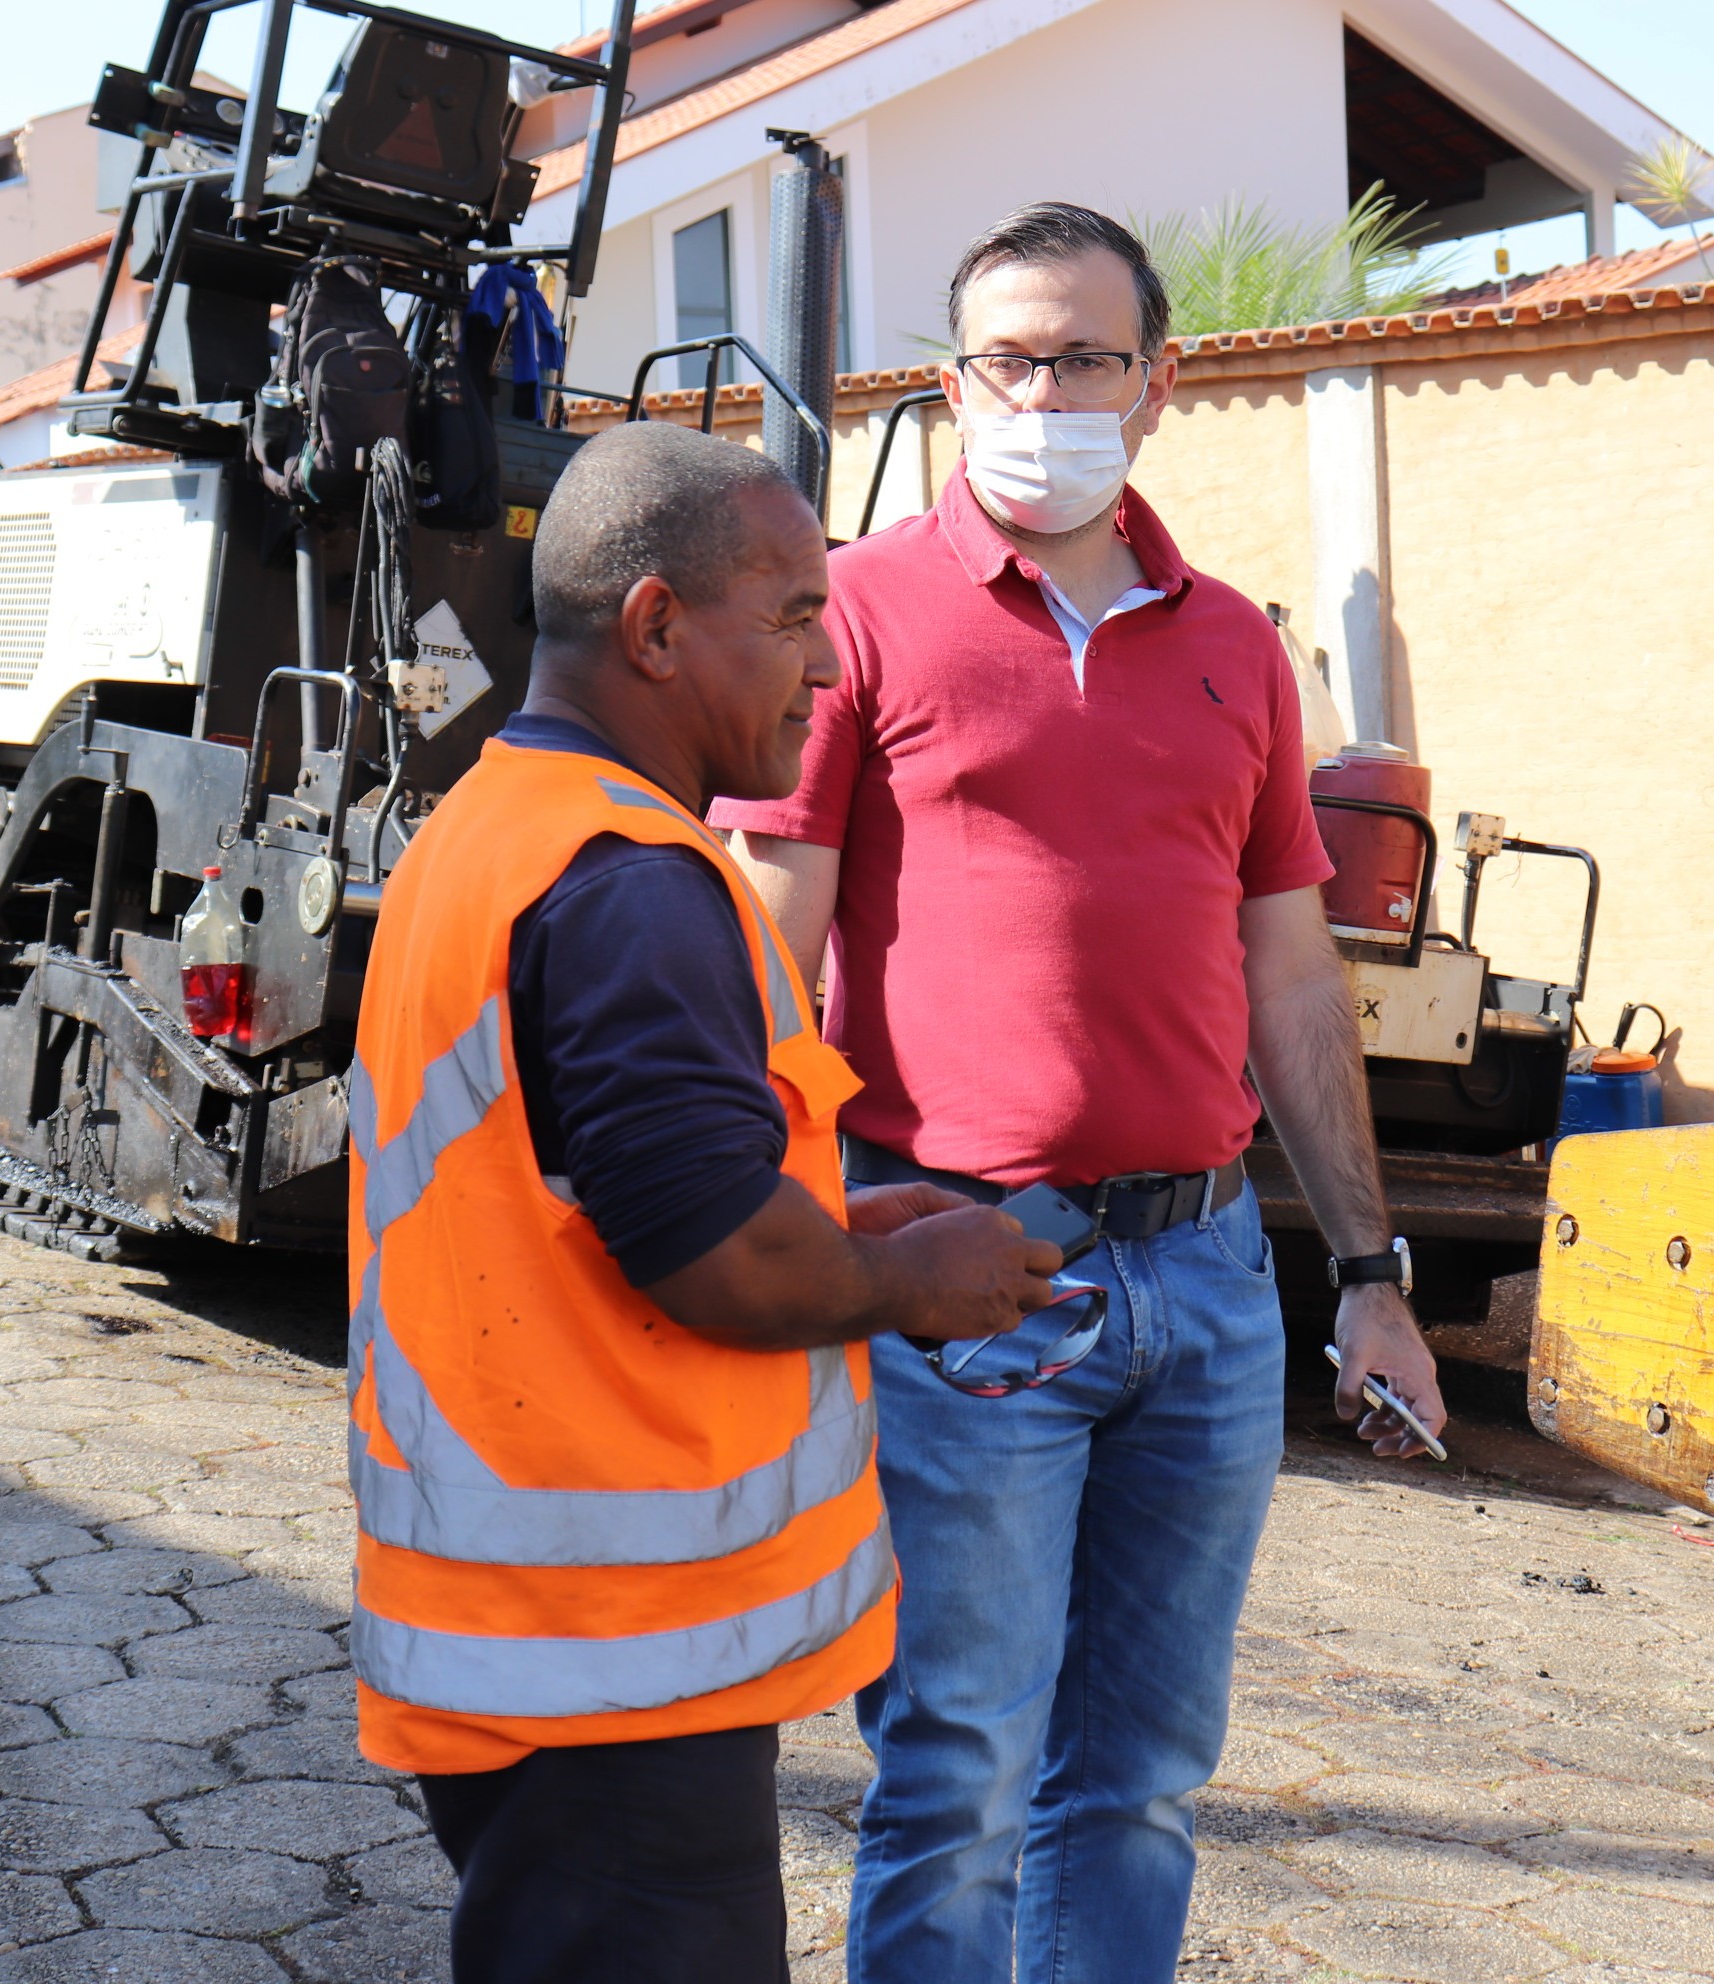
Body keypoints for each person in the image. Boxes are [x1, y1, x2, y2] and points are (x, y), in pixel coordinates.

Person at [715, 203, 1448, 1982]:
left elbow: (1293, 979)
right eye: (1006, 361)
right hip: (966, 1274)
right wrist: (755, 1244)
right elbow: (764, 943)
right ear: (956, 383)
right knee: (956, 1772)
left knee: (1144, 1782)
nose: (1042, 395)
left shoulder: (1234, 646)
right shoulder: (856, 611)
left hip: (1208, 1284)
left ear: (1157, 381)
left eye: (1083, 360)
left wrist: (1370, 1277)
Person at [346, 419, 1061, 1984]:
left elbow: (595, 1192)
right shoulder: (631, 881)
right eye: (794, 617)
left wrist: (838, 1234)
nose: (826, 665)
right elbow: (712, 1254)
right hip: (610, 1669)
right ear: (658, 627)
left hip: (533, 1640)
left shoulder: (493, 828)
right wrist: (909, 1283)